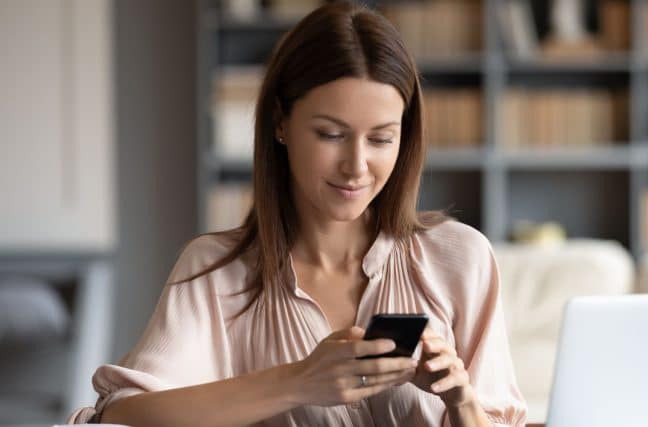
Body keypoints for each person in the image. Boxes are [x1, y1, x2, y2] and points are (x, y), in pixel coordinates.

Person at [67, 2, 527, 426]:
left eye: (381, 139)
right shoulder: (216, 270)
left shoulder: (459, 257)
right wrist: (300, 381)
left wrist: (461, 401)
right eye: (331, 134)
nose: (357, 166)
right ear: (280, 123)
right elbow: (121, 416)